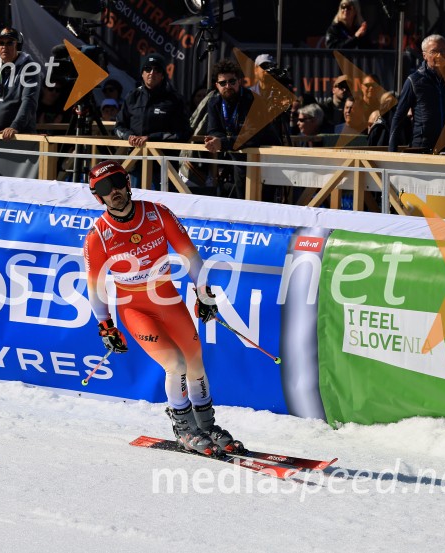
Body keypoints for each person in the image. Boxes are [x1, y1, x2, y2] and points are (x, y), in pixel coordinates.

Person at [82, 160, 242, 456]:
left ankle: (206, 426)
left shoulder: (157, 213)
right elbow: (96, 287)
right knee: (176, 365)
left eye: (117, 182)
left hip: (168, 300)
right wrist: (105, 325)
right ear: (98, 196)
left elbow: (190, 255)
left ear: (128, 183)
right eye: (105, 188)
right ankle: (184, 429)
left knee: (196, 364)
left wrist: (204, 293)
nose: (114, 191)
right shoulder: (98, 235)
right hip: (135, 309)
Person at [204, 58, 281, 197]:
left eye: (232, 81)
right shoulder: (214, 102)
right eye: (223, 83)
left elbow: (253, 135)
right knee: (241, 202)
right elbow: (213, 130)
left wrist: (223, 143)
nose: (228, 86)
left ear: (239, 81)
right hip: (239, 156)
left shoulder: (254, 100)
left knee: (264, 204)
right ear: (217, 85)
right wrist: (218, 141)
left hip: (264, 159)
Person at [389, 34, 445, 153]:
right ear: (424, 55)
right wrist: (392, 152)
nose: (439, 55)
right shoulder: (414, 80)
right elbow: (398, 117)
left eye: (442, 51)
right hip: (422, 148)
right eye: (434, 51)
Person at [114, 53, 190, 148]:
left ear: (162, 75)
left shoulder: (175, 99)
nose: (152, 73)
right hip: (134, 158)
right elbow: (119, 127)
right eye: (148, 69)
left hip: (163, 159)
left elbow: (184, 133)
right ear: (142, 74)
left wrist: (151, 138)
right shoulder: (132, 96)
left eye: (157, 70)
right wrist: (129, 136)